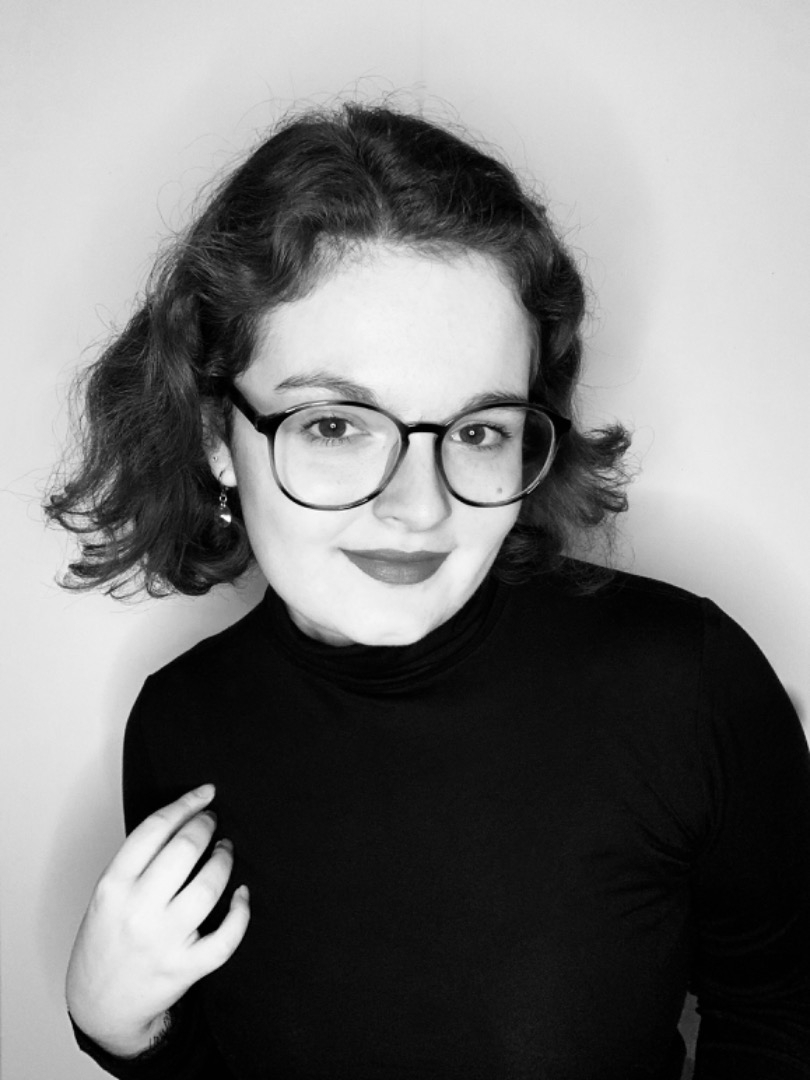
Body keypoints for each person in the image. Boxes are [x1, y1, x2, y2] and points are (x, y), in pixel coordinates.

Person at [47, 102, 810, 1080]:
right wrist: (122, 1032)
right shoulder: (178, 725)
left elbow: (784, 1008)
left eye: (479, 431)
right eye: (335, 424)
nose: (420, 508)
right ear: (214, 437)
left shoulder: (685, 684)